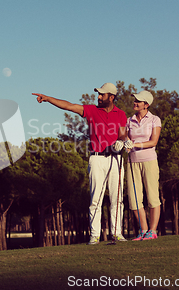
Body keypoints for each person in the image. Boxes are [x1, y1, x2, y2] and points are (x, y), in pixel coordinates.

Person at [33, 83, 128, 245]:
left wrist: (123, 142)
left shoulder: (121, 114)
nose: (98, 97)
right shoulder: (91, 110)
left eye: (102, 95)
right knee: (95, 199)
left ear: (111, 97)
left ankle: (117, 233)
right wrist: (48, 99)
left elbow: (122, 135)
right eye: (98, 94)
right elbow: (69, 106)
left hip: (116, 159)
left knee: (116, 198)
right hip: (96, 158)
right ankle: (95, 235)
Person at [125, 90, 162, 240]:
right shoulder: (129, 120)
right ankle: (143, 230)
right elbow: (125, 137)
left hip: (149, 161)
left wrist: (134, 144)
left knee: (153, 197)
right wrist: (126, 142)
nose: (135, 102)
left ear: (146, 104)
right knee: (134, 199)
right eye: (135, 100)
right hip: (132, 162)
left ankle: (152, 231)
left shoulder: (154, 120)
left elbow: (154, 141)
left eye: (138, 101)